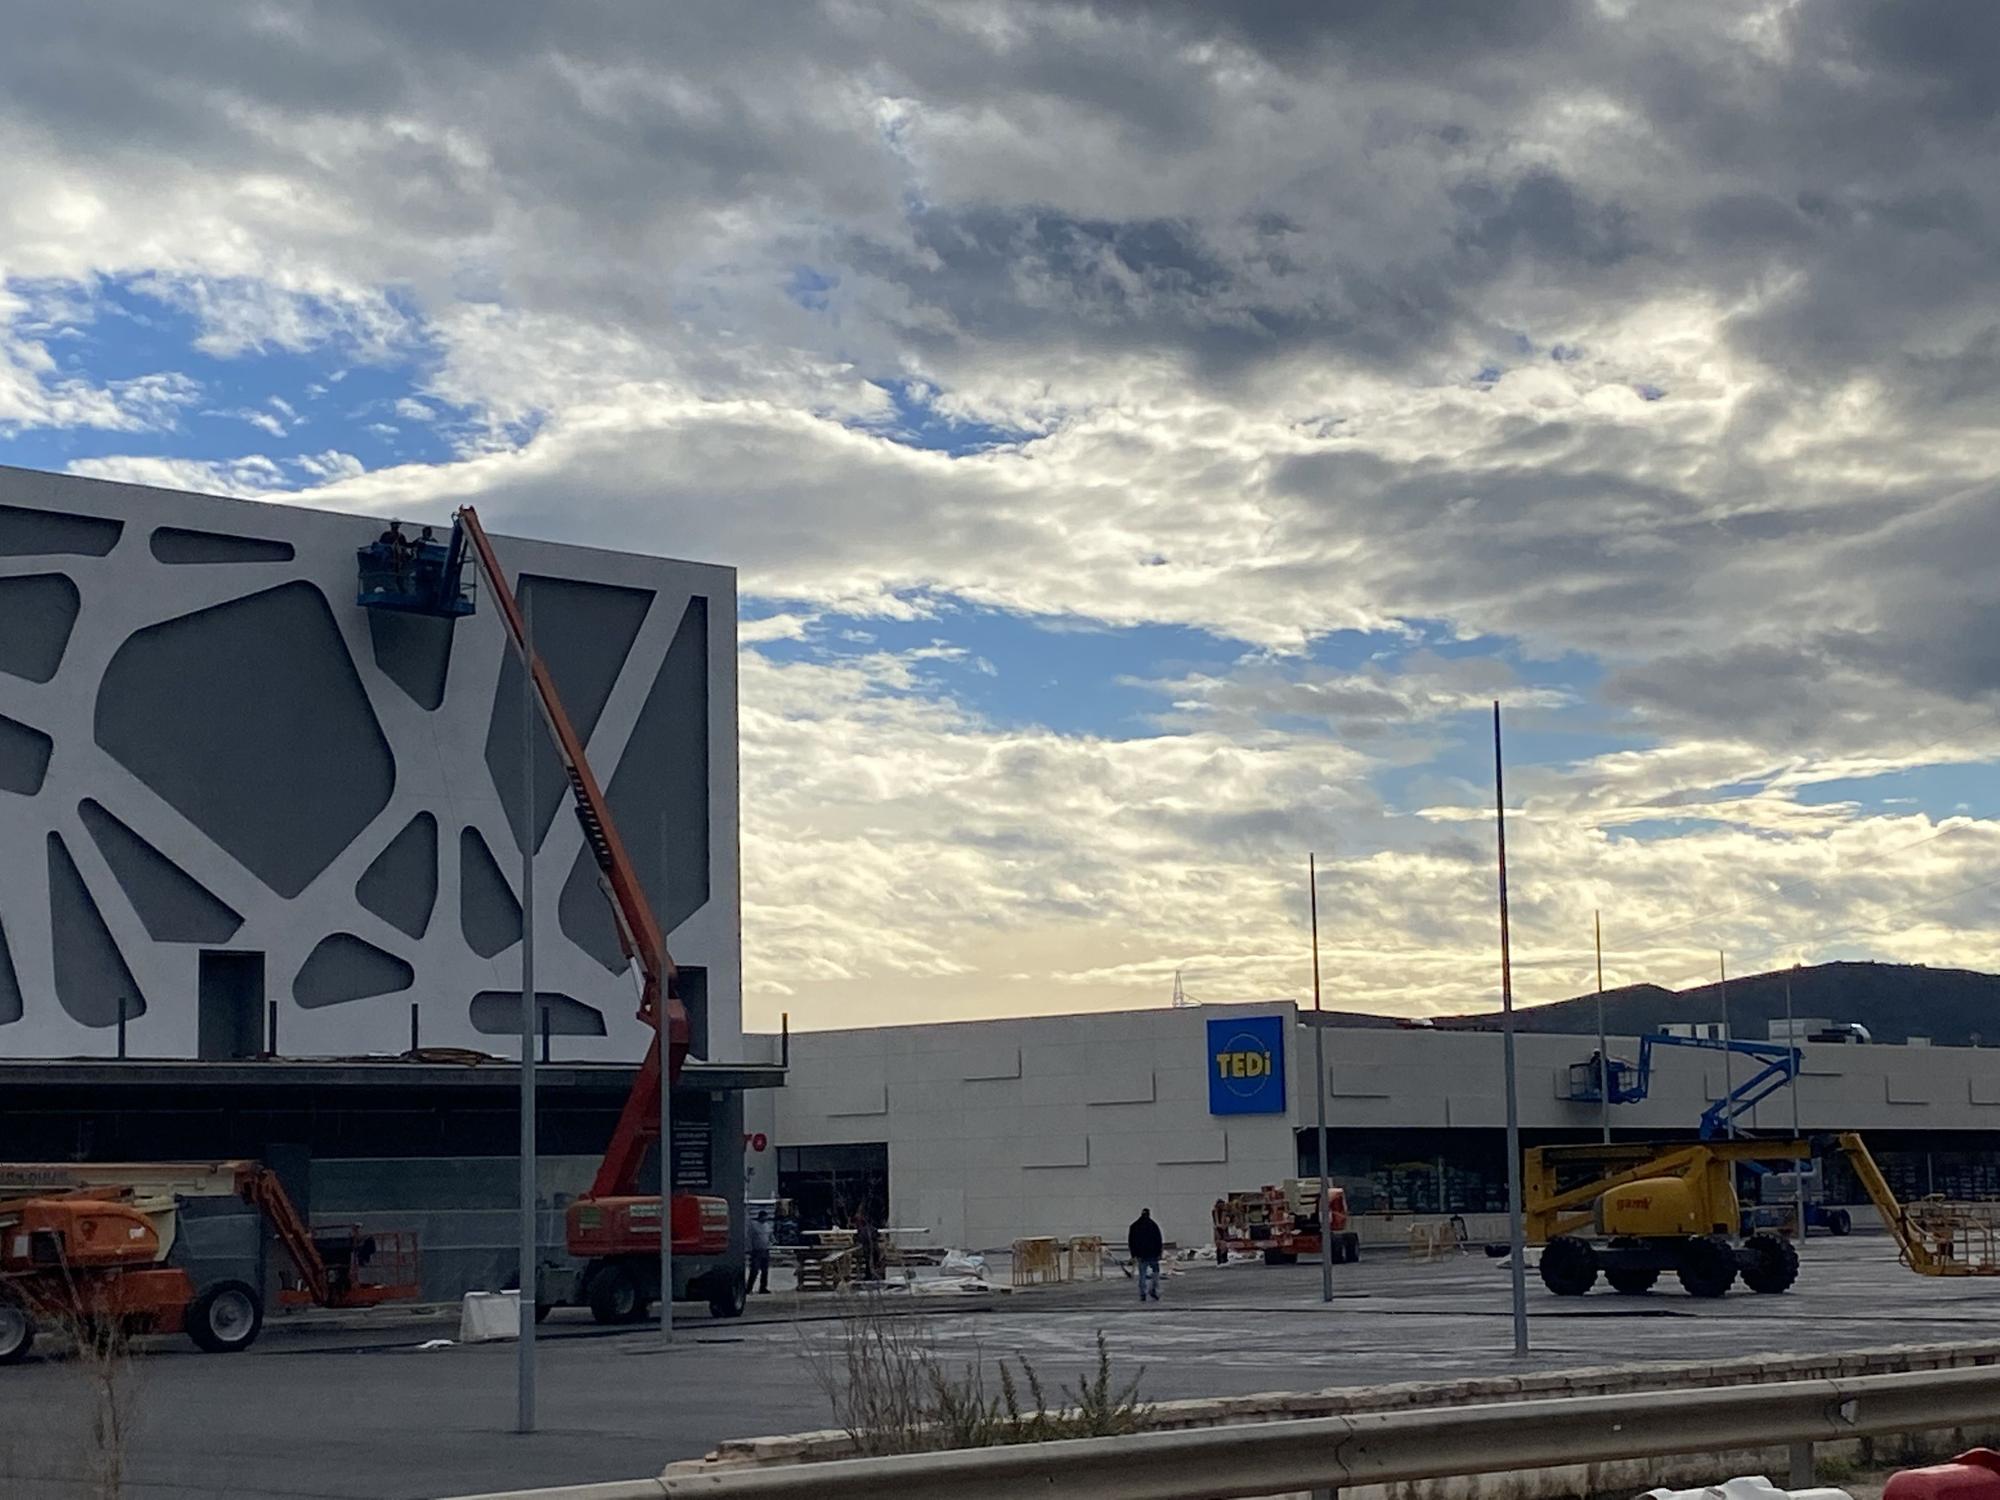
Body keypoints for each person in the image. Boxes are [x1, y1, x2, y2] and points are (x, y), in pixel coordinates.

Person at [1127, 1207, 1164, 1302]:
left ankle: (1142, 1293)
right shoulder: (1153, 1226)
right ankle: (1153, 1290)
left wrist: (1133, 1254)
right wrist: (1159, 1253)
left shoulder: (1134, 1226)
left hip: (1141, 1254)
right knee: (1155, 1272)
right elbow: (1158, 1240)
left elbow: (1131, 1242)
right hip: (1153, 1254)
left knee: (1142, 1274)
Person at [749, 1207, 773, 1295]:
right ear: (761, 1217)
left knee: (765, 1271)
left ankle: (763, 1288)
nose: (766, 1219)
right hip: (756, 1251)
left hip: (765, 1250)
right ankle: (749, 1288)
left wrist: (772, 1242)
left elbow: (770, 1236)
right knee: (754, 1270)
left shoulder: (767, 1226)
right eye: (764, 1217)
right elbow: (749, 1237)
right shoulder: (754, 1225)